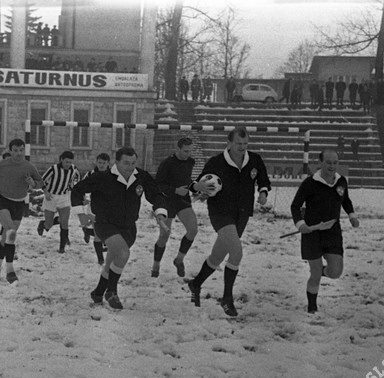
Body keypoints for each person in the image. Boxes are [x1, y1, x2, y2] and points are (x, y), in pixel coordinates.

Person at [185, 127, 271, 317]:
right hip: (220, 212)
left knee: (217, 256)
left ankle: (195, 283)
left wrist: (263, 192)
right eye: (238, 144)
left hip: (242, 213)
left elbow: (264, 180)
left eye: (245, 143)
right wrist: (198, 188)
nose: (242, 147)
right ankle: (227, 298)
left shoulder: (254, 160)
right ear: (229, 143)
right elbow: (198, 184)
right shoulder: (216, 162)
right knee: (237, 252)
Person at [71, 147, 168, 310]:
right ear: (116, 162)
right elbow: (77, 190)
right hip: (105, 224)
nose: (130, 167)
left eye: (133, 163)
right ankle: (112, 291)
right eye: (126, 163)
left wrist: (160, 213)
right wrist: (81, 214)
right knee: (123, 253)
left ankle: (98, 292)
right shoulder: (103, 177)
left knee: (112, 262)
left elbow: (156, 194)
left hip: (129, 227)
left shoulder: (141, 176)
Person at [290, 149, 359, 314]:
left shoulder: (341, 181)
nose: (332, 166)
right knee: (315, 275)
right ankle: (312, 308)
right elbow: (295, 206)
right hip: (312, 233)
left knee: (336, 272)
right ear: (320, 163)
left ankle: (319, 270)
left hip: (332, 232)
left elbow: (346, 200)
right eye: (328, 162)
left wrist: (352, 216)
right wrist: (301, 225)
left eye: (335, 162)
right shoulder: (309, 183)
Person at [0, 138, 45, 284]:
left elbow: (40, 182)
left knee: (7, 237)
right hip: (2, 200)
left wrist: (33, 183)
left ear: (24, 150)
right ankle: (10, 270)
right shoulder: (2, 164)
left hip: (19, 203)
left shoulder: (28, 166)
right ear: (10, 151)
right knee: (11, 232)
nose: (18, 153)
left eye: (21, 150)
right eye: (15, 150)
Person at [151, 137, 198, 278]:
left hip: (183, 200)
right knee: (164, 235)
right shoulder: (167, 163)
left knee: (193, 230)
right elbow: (158, 185)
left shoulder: (191, 161)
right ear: (178, 149)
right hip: (167, 201)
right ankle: (156, 265)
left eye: (190, 151)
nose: (187, 154)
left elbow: (187, 180)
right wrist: (175, 190)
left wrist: (196, 188)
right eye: (185, 151)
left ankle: (179, 260)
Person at [37, 150, 80, 253]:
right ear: (61, 160)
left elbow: (77, 179)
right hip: (51, 197)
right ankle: (43, 224)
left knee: (64, 222)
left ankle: (62, 247)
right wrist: (46, 192)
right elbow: (41, 180)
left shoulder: (73, 169)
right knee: (49, 224)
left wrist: (73, 188)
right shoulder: (53, 169)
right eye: (66, 162)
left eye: (70, 162)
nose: (68, 164)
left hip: (64, 197)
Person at [77, 153, 111, 265]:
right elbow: (81, 187)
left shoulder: (113, 175)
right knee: (98, 234)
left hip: (110, 208)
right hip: (95, 207)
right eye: (99, 163)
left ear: (108, 164)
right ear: (96, 162)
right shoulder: (91, 174)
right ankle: (100, 259)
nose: (101, 165)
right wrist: (83, 199)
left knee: (108, 231)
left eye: (104, 163)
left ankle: (87, 231)